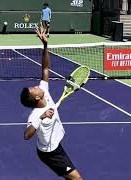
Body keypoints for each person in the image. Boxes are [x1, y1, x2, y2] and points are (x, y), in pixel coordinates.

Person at [20, 27, 83, 180]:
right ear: (36, 98)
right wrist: (41, 117)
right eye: (33, 89)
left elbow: (45, 68)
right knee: (77, 179)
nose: (36, 86)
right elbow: (26, 135)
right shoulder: (35, 114)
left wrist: (45, 45)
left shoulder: (44, 91)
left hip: (55, 146)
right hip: (50, 153)